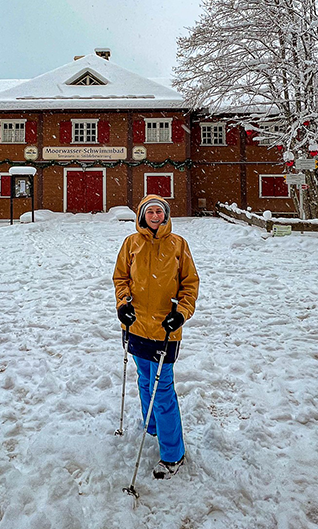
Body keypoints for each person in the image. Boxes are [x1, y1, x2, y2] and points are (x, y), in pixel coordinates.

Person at [113, 194, 200, 479]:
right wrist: (123, 303)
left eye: (158, 212)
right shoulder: (131, 243)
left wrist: (182, 312)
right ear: (141, 215)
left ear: (165, 215)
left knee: (162, 390)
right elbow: (120, 278)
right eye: (149, 211)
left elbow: (189, 284)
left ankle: (173, 454)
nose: (154, 216)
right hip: (137, 326)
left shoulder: (178, 245)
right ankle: (152, 425)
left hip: (165, 329)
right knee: (144, 379)